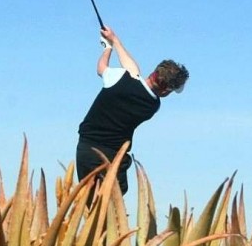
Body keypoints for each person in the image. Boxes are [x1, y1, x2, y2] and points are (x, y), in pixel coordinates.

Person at [75, 24, 189, 195]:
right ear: (165, 91)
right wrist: (115, 41)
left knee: (90, 202)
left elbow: (102, 68)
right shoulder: (152, 105)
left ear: (154, 72)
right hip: (114, 157)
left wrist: (108, 48)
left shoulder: (120, 79)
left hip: (86, 149)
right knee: (113, 205)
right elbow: (133, 72)